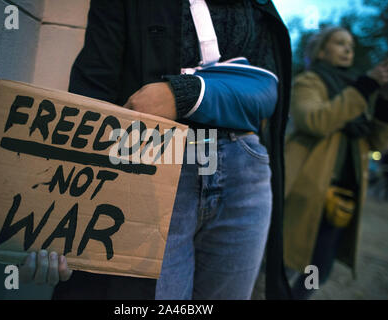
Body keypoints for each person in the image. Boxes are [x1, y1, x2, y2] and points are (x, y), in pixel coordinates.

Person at [20, 0, 293, 300]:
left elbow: (268, 90)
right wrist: (61, 215)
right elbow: (94, 89)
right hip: (155, 163)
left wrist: (184, 94)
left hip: (243, 170)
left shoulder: (257, 4)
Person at [283, 26, 388, 299]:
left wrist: (384, 102)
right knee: (288, 257)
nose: (347, 49)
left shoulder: (357, 90)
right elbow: (316, 122)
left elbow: (377, 143)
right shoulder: (310, 82)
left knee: (319, 266)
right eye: (340, 43)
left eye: (350, 45)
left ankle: (297, 297)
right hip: (307, 191)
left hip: (342, 196)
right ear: (321, 49)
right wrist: (364, 87)